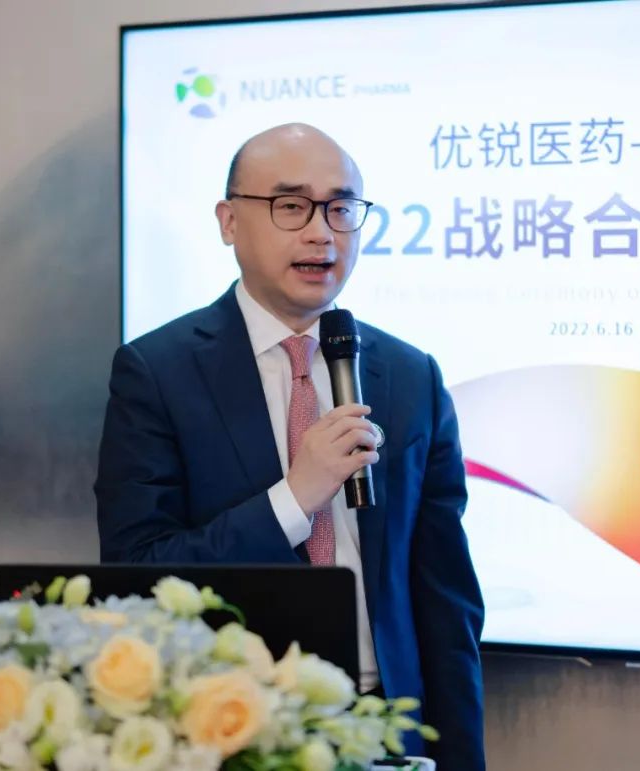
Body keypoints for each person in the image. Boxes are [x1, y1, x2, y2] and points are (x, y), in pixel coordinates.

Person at [94, 123, 485, 769]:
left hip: (385, 726)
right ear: (229, 221)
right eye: (291, 205)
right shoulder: (157, 372)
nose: (322, 232)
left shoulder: (409, 374)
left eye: (341, 208)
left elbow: (447, 601)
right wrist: (295, 498)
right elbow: (138, 572)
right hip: (232, 732)